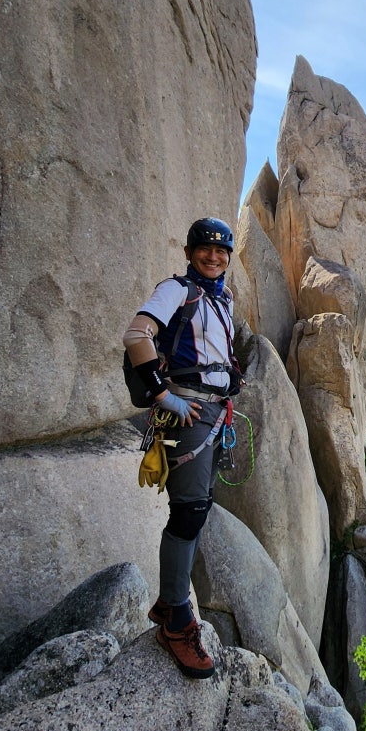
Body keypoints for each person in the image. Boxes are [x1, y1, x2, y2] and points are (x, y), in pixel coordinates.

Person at [122, 217, 239, 678]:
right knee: (188, 511)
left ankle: (169, 603)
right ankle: (175, 616)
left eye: (221, 251)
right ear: (190, 253)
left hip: (213, 411)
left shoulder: (222, 298)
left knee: (199, 507)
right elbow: (137, 335)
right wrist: (161, 395)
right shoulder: (177, 290)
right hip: (187, 412)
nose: (213, 257)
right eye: (204, 250)